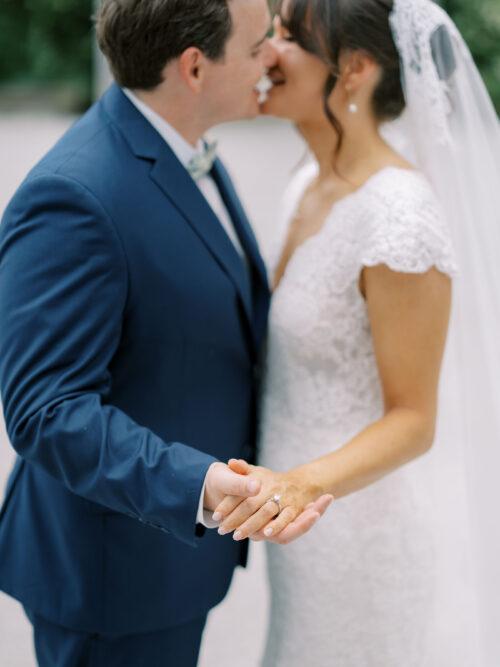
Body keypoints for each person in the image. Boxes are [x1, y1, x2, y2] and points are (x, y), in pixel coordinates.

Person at [0, 1, 333, 665]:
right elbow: (47, 411)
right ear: (193, 67)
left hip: (167, 572)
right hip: (110, 582)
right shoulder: (76, 196)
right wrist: (199, 484)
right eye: (258, 40)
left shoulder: (183, 148)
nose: (273, 53)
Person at [213, 0, 500, 664]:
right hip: (301, 534)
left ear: (356, 70)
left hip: (357, 534)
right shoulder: (308, 181)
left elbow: (414, 418)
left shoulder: (399, 215)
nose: (266, 49)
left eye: (287, 37)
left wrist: (303, 485)